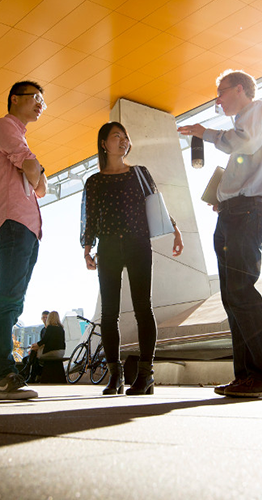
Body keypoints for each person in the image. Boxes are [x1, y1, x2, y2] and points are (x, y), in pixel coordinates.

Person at [177, 69, 262, 399]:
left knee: (241, 291)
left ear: (241, 89)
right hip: (234, 212)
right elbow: (242, 160)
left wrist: (205, 133)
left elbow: (244, 142)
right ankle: (247, 376)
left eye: (221, 92)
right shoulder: (244, 121)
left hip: (247, 212)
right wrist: (222, 196)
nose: (218, 100)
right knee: (231, 296)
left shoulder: (258, 110)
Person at [80, 122, 183, 395]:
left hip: (138, 244)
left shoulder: (139, 173)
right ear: (104, 143)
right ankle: (115, 376)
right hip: (109, 248)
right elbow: (90, 217)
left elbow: (156, 204)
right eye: (117, 136)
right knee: (108, 313)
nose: (123, 140)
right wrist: (87, 248)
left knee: (143, 309)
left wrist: (175, 230)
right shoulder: (94, 181)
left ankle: (146, 376)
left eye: (126, 136)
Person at [0, 80, 48, 400]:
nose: (40, 104)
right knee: (8, 299)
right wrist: (36, 172)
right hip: (12, 222)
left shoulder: (16, 133)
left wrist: (37, 174)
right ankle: (4, 376)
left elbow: (41, 185)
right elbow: (32, 169)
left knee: (11, 301)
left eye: (42, 101)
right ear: (13, 99)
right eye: (34, 98)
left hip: (26, 227)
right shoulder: (4, 126)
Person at [29, 311, 66, 381]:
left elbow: (44, 340)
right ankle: (34, 374)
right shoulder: (61, 328)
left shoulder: (50, 327)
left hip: (52, 352)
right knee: (35, 353)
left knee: (34, 352)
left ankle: (32, 375)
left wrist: (35, 345)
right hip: (61, 352)